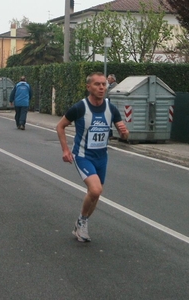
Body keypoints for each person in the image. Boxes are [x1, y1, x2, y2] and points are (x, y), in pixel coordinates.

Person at [56, 72, 129, 242]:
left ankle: (82, 224)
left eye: (104, 84)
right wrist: (65, 150)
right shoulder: (80, 107)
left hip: (102, 157)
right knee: (96, 189)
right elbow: (60, 127)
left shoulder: (111, 108)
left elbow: (124, 136)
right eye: (97, 84)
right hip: (83, 155)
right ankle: (82, 220)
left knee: (95, 194)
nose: (102, 87)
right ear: (88, 87)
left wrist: (124, 133)